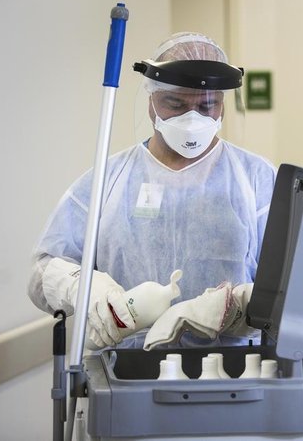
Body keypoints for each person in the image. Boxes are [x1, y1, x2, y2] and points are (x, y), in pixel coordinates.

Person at [27, 32, 277, 351]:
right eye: (176, 104)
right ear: (151, 102)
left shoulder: (257, 179)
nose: (192, 119)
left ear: (223, 105)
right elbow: (42, 270)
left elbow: (290, 282)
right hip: (124, 374)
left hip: (233, 375)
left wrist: (238, 306)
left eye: (207, 105)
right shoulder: (109, 180)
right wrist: (84, 290)